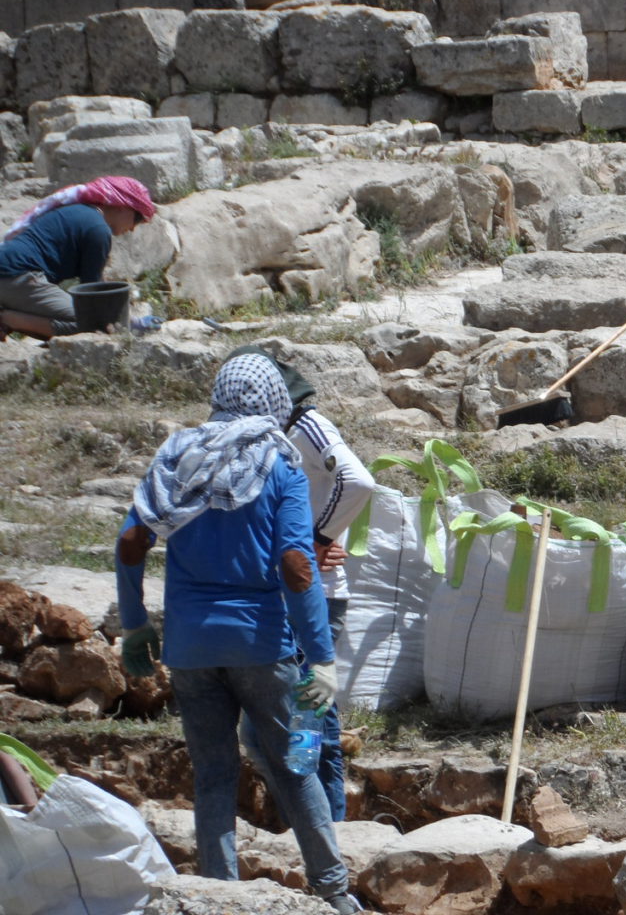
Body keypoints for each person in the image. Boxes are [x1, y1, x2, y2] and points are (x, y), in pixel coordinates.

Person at [115, 353, 365, 915]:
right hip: (261, 644)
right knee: (295, 763)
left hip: (189, 647)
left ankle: (220, 895)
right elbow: (298, 566)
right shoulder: (281, 461)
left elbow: (132, 541)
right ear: (275, 400)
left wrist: (135, 626)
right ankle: (333, 890)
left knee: (213, 772)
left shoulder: (179, 453)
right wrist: (321, 657)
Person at [227, 344, 376, 824]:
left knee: (307, 726)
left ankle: (326, 827)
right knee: (282, 727)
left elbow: (357, 481)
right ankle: (313, 826)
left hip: (316, 599)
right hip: (286, 597)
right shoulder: (264, 437)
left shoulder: (305, 426)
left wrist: (316, 538)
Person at [0, 177, 156, 339]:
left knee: (68, 323)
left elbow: (95, 285)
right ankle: (6, 319)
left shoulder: (78, 212)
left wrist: (129, 320)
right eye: (136, 220)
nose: (131, 229)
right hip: (18, 276)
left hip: (10, 271)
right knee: (92, 324)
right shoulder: (98, 230)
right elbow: (92, 294)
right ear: (122, 207)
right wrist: (127, 324)